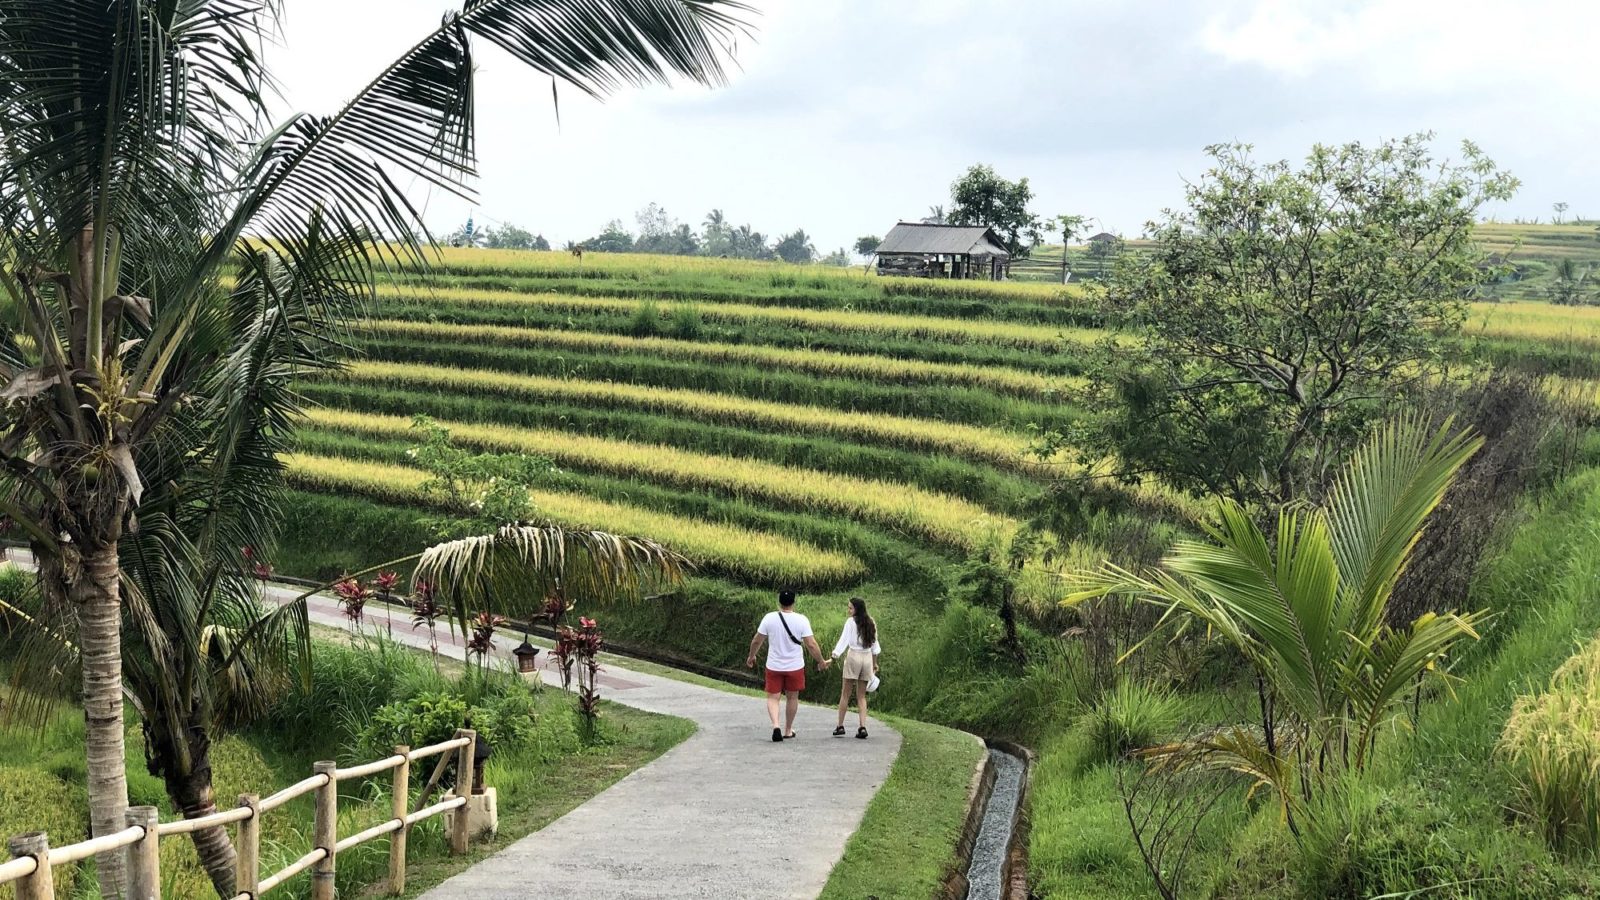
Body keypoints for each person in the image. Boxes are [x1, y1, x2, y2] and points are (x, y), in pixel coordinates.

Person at [746, 589, 830, 742]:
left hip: (774, 665)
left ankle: (776, 726)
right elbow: (811, 644)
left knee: (773, 697)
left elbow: (757, 640)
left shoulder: (769, 618)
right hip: (795, 666)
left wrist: (752, 656)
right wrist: (820, 661)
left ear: (779, 602)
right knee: (792, 698)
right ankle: (788, 729)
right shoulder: (801, 620)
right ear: (793, 602)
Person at [830, 597, 881, 739]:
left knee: (845, 693)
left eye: (850, 608)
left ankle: (840, 726)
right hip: (867, 658)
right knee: (862, 696)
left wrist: (834, 656)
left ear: (856, 609)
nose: (848, 610)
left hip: (853, 656)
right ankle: (862, 726)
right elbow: (875, 647)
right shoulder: (871, 622)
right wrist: (874, 663)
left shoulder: (850, 622)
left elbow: (843, 641)